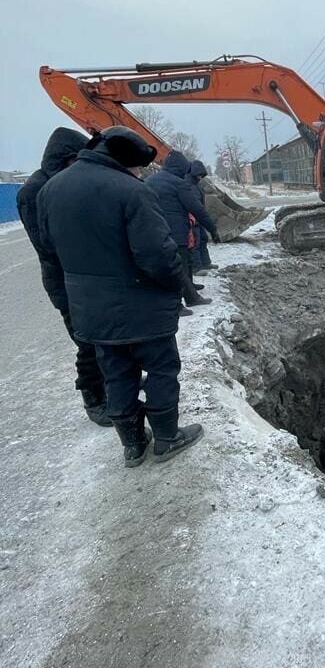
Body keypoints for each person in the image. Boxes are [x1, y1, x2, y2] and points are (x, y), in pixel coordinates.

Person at [37, 126, 204, 467]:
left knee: (116, 374)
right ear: (126, 160)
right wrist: (177, 285)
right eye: (139, 167)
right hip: (142, 308)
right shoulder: (131, 191)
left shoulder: (50, 190)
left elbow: (49, 253)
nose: (140, 173)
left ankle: (133, 445)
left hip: (91, 311)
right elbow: (157, 255)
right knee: (160, 369)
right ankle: (167, 438)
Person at [16, 128, 109, 426]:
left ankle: (110, 384)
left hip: (85, 277)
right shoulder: (34, 191)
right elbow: (48, 246)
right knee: (87, 342)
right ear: (68, 158)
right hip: (66, 282)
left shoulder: (60, 183)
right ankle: (94, 397)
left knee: (102, 337)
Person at [145, 150, 220, 310]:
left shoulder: (149, 181)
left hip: (156, 231)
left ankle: (190, 293)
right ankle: (177, 304)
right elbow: (197, 209)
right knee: (181, 266)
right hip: (177, 232)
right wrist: (212, 229)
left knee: (172, 266)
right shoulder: (179, 184)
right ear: (180, 168)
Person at [185, 160, 218, 273]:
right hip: (193, 219)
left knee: (203, 239)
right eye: (199, 175)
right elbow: (193, 205)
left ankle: (206, 262)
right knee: (195, 242)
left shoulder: (197, 185)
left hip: (199, 218)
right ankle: (196, 267)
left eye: (202, 175)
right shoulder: (188, 185)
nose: (200, 177)